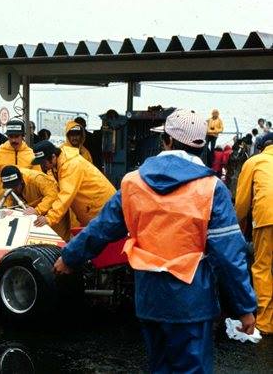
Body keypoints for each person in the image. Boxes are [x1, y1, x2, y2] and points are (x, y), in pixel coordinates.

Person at [54, 109, 256, 373]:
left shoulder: (132, 182)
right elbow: (229, 253)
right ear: (201, 145)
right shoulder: (211, 188)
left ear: (166, 141)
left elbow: (101, 228)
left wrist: (69, 257)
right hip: (191, 303)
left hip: (150, 300)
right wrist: (244, 307)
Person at [32, 141, 115, 237]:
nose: (42, 166)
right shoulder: (58, 164)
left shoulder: (70, 165)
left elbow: (65, 195)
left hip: (101, 209)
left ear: (53, 157)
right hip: (95, 209)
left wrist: (49, 218)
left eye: (43, 162)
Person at [235, 131, 273, 335]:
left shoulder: (255, 161)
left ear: (261, 148)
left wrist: (234, 223)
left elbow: (242, 202)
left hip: (268, 217)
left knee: (263, 267)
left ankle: (266, 323)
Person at [0, 119, 38, 211]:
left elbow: (37, 181)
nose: (13, 140)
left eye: (17, 136)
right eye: (10, 136)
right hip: (1, 205)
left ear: (22, 136)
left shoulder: (30, 154)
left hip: (24, 207)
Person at [0, 165, 69, 239]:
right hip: (32, 214)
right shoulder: (10, 186)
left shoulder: (37, 179)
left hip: (54, 213)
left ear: (21, 180)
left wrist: (37, 210)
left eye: (15, 186)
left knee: (58, 242)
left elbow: (52, 196)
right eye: (10, 187)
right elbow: (10, 201)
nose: (13, 190)